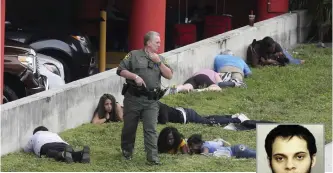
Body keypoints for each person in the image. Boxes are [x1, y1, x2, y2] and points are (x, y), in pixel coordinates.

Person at [116, 31, 173, 165]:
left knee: (151, 129)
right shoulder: (134, 55)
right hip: (133, 99)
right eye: (157, 42)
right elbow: (120, 70)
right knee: (129, 127)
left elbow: (169, 75)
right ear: (148, 43)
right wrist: (135, 77)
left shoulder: (160, 58)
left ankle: (152, 158)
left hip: (151, 101)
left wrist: (158, 63)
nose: (159, 45)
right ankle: (127, 151)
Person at [23, 126, 90, 163]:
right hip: (64, 145)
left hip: (46, 146)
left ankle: (62, 154)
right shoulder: (54, 134)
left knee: (50, 153)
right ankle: (81, 154)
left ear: (35, 132)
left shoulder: (36, 135)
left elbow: (26, 150)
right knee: (70, 154)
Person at [174, 68, 245, 93]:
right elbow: (220, 84)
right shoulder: (216, 74)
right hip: (203, 77)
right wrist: (234, 84)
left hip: (193, 78)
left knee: (186, 87)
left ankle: (177, 88)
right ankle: (198, 91)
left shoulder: (205, 70)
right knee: (217, 89)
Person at [187, 134, 256, 158]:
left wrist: (192, 155)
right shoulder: (206, 143)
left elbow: (204, 155)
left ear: (196, 144)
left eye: (191, 146)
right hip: (237, 149)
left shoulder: (204, 147)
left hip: (237, 151)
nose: (191, 148)